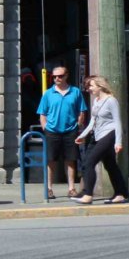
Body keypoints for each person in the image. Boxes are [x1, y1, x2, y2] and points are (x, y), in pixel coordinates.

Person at [73, 75, 128, 204]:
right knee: (110, 165)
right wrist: (83, 135)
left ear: (100, 86)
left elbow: (118, 122)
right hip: (97, 135)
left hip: (109, 134)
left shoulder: (111, 101)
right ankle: (121, 193)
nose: (89, 89)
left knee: (88, 163)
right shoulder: (96, 101)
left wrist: (118, 142)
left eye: (91, 86)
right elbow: (93, 121)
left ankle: (88, 195)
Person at [37, 65, 89, 198]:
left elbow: (82, 110)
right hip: (52, 131)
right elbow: (42, 113)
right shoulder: (48, 94)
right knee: (50, 160)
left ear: (66, 76)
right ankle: (48, 188)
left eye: (60, 76)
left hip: (70, 131)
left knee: (70, 160)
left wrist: (78, 125)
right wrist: (45, 128)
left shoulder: (75, 92)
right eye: (54, 76)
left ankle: (71, 188)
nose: (57, 79)